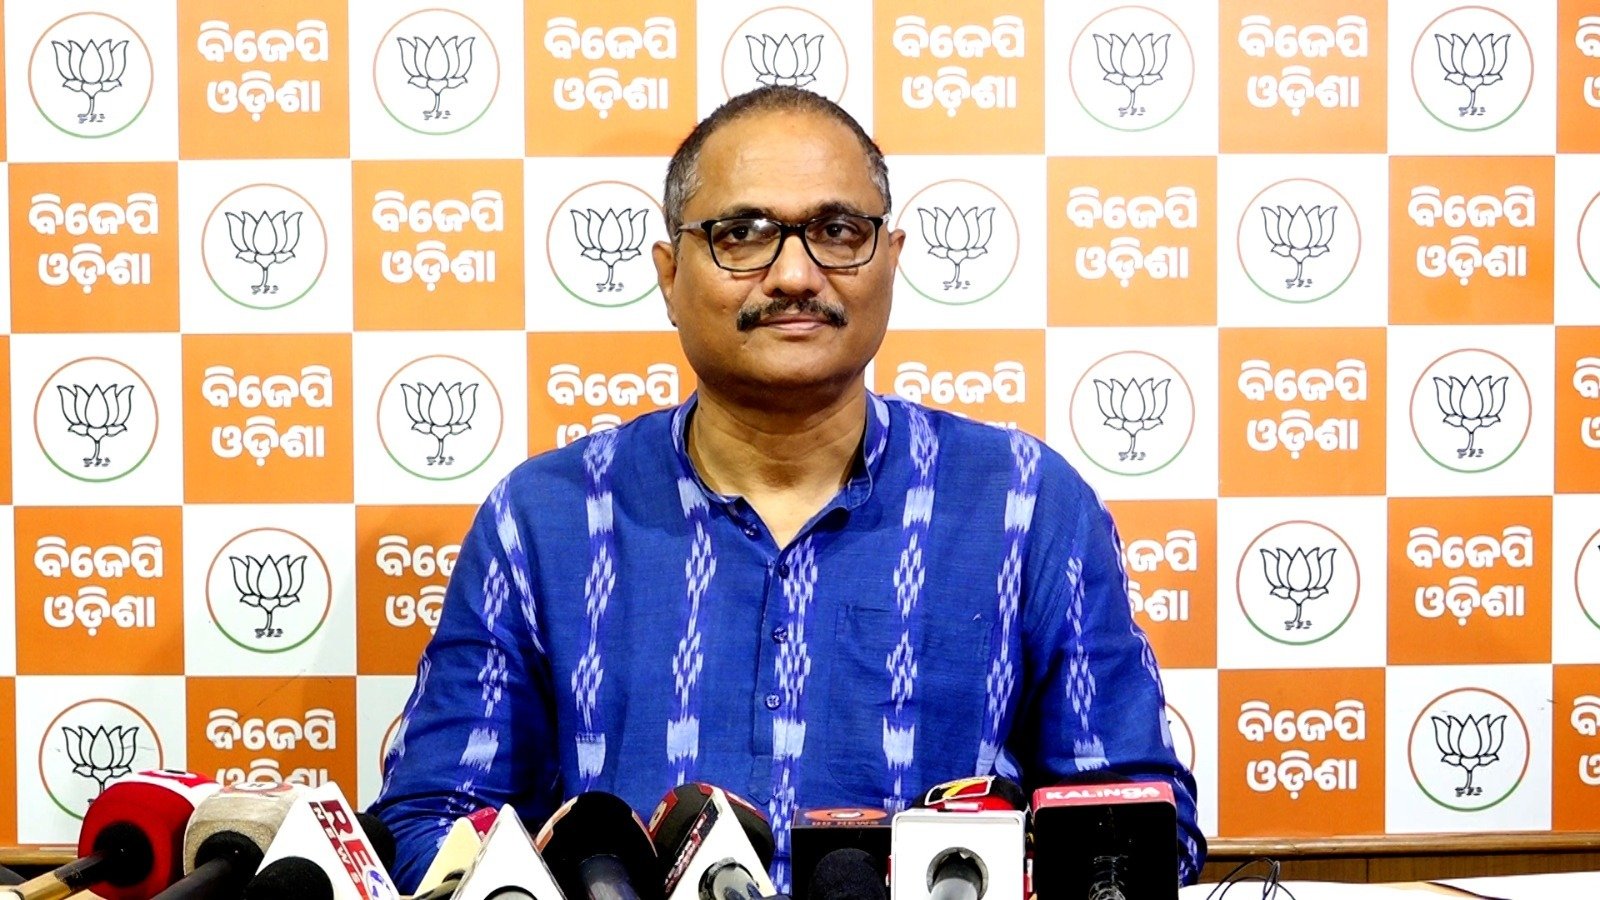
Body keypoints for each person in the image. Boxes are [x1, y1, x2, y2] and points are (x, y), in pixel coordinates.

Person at [370, 85, 1204, 891]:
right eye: (743, 234)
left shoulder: (1024, 503)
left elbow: (1134, 826)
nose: (796, 276)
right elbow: (436, 820)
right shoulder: (545, 519)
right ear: (668, 274)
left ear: (891, 260)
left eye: (837, 231)